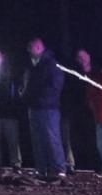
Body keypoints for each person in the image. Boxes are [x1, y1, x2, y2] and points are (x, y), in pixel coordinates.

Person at [22, 37, 66, 181]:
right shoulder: (33, 66)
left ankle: (59, 168)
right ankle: (41, 169)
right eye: (29, 48)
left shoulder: (51, 64)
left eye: (32, 47)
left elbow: (55, 86)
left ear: (40, 48)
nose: (29, 50)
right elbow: (28, 85)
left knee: (52, 138)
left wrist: (40, 98)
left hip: (48, 108)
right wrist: (24, 95)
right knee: (37, 140)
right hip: (34, 108)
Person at [61, 49, 92, 174]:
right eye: (79, 57)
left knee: (87, 137)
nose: (82, 59)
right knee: (69, 138)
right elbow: (70, 90)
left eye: (84, 56)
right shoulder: (73, 72)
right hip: (72, 109)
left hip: (90, 111)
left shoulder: (95, 73)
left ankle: (92, 163)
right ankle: (70, 164)